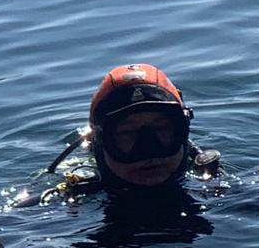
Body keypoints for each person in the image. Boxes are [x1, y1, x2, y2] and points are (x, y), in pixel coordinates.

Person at [26, 64, 222, 202]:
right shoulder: (66, 201)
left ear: (182, 131)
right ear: (99, 141)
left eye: (161, 129)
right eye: (127, 133)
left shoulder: (219, 187)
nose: (148, 149)